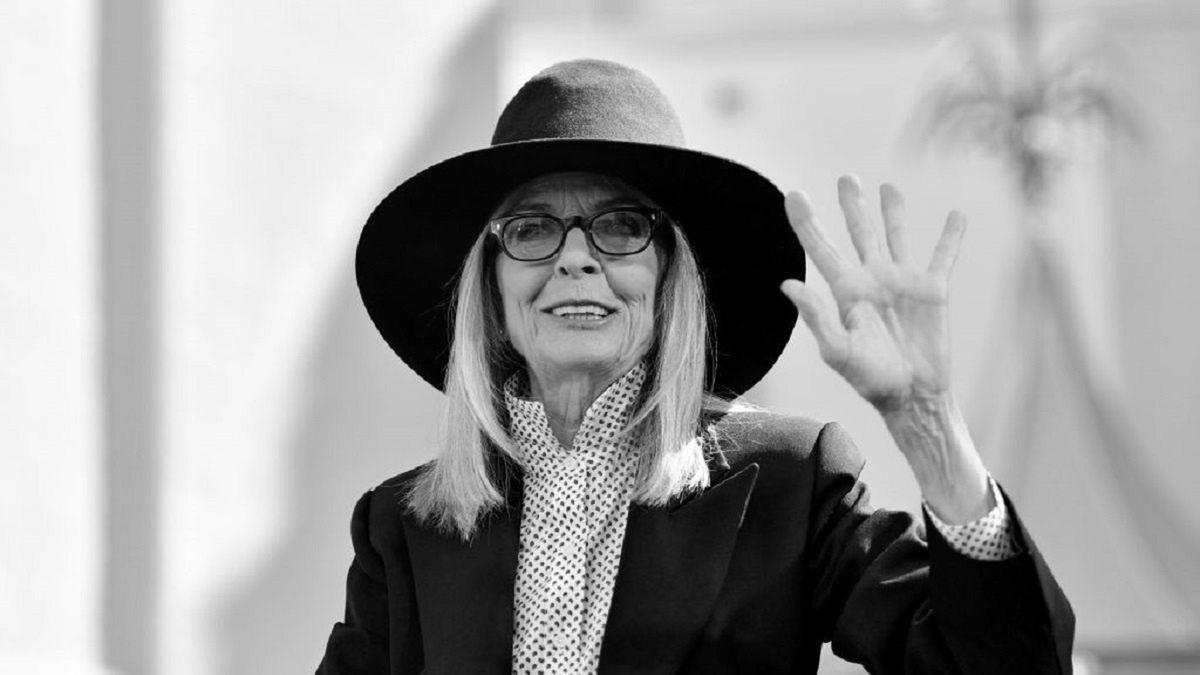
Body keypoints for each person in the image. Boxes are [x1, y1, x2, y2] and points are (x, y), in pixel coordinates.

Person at [318, 59, 1074, 674]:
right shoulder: (404, 526)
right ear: (491, 282)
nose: (576, 257)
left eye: (619, 226)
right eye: (531, 228)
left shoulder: (788, 481)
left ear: (669, 274)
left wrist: (930, 426)